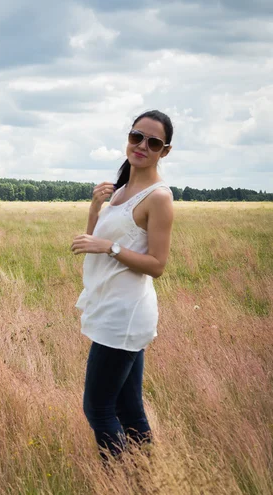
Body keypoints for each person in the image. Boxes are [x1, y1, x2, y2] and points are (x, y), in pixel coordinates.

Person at [71, 109, 174, 465]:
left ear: (165, 151)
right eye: (136, 137)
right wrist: (95, 206)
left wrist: (111, 248)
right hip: (111, 307)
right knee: (128, 409)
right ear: (128, 138)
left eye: (153, 142)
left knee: (98, 409)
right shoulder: (122, 190)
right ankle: (147, 492)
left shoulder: (159, 197)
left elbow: (157, 265)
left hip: (125, 315)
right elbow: (95, 240)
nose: (142, 146)